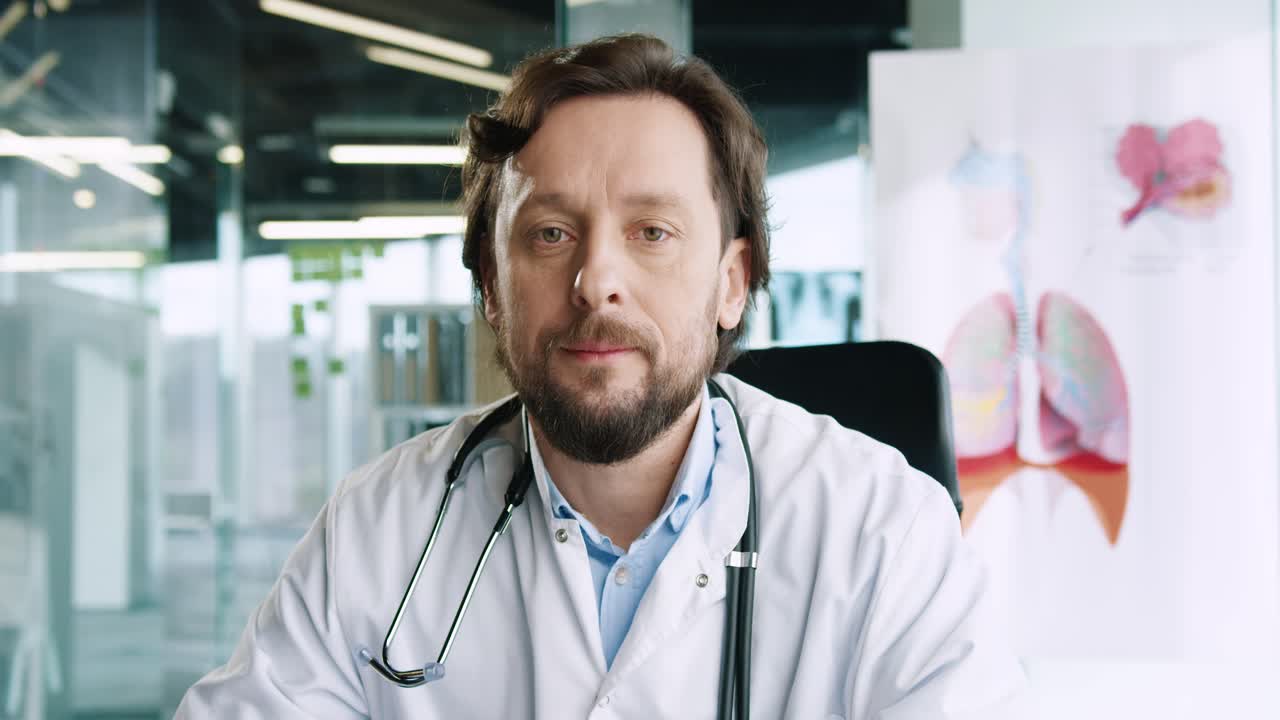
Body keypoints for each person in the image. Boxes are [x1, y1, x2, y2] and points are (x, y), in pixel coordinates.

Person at [176, 34, 1025, 719]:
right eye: (550, 234)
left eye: (652, 231)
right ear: (491, 286)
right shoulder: (381, 526)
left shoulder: (881, 529)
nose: (596, 281)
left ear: (732, 282)